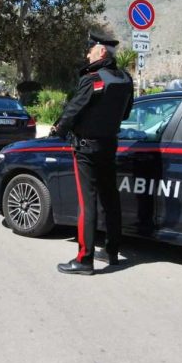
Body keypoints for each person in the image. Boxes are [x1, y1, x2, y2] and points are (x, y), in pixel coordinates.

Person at [52, 32, 134, 275]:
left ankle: (84, 259)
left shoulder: (93, 79)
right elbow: (127, 113)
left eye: (89, 51)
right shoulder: (126, 79)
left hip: (86, 148)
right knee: (110, 199)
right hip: (109, 145)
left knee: (87, 203)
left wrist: (58, 129)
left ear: (100, 52)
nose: (87, 55)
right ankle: (112, 251)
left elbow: (74, 109)